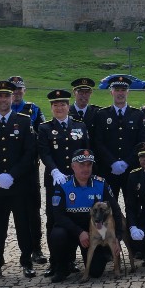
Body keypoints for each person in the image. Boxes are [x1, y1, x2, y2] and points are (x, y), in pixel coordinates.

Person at [0, 81, 39, 281]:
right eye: (0, 96)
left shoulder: (24, 122)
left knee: (23, 224)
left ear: (13, 98)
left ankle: (26, 261)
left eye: (7, 96)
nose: (3, 99)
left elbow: (30, 152)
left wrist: (13, 175)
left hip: (19, 184)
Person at [47, 149, 121, 282]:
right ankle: (62, 267)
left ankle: (103, 255)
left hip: (95, 232)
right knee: (57, 235)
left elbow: (115, 210)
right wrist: (79, 232)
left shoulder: (100, 184)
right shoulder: (63, 185)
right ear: (73, 166)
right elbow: (58, 216)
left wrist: (117, 237)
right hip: (70, 230)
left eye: (89, 165)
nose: (86, 169)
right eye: (82, 165)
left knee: (96, 272)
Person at [37, 88, 90, 275]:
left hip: (78, 181)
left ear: (68, 107)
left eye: (62, 105)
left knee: (77, 217)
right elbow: (45, 153)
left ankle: (72, 260)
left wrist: (83, 174)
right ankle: (56, 261)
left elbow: (86, 151)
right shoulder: (44, 128)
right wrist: (54, 171)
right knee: (54, 220)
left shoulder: (79, 126)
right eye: (55, 105)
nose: (59, 108)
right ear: (51, 108)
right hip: (56, 181)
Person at [8, 75, 46, 266]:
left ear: (24, 90)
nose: (16, 92)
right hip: (8, 170)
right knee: (9, 211)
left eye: (19, 89)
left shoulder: (34, 110)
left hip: (30, 168)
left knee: (33, 210)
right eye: (13, 89)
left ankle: (36, 249)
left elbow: (42, 136)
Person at [94, 75, 143, 194]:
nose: (120, 93)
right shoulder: (102, 114)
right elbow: (98, 142)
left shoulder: (137, 114)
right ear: (111, 92)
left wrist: (127, 162)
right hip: (108, 169)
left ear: (128, 92)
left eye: (123, 90)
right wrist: (112, 162)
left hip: (131, 169)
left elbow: (141, 142)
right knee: (108, 204)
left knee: (133, 203)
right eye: (117, 90)